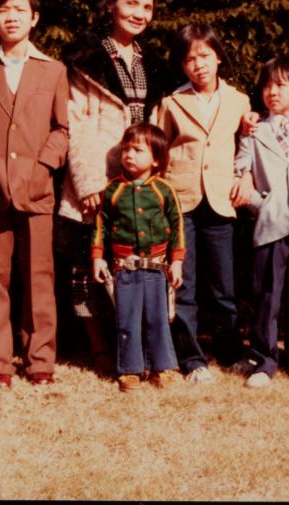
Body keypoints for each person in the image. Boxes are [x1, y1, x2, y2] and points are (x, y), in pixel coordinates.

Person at [56, 0, 175, 376]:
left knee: (135, 264)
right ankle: (99, 346)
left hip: (139, 180)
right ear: (112, 4)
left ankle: (137, 348)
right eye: (131, 3)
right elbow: (77, 123)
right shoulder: (86, 58)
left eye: (147, 6)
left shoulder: (152, 62)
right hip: (99, 176)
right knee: (86, 266)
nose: (139, 13)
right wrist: (88, 182)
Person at [0, 0, 70, 389]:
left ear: (34, 18)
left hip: (37, 188)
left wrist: (44, 166)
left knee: (39, 275)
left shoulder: (54, 70)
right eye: (4, 10)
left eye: (20, 10)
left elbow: (62, 128)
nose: (12, 17)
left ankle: (40, 359)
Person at [157, 22, 255, 383]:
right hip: (181, 202)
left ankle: (230, 350)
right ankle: (191, 358)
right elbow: (159, 151)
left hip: (221, 201)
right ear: (181, 66)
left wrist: (246, 178)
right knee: (184, 284)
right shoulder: (171, 103)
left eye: (205, 56)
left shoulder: (240, 101)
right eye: (189, 60)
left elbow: (249, 149)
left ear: (218, 57)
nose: (198, 65)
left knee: (223, 285)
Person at [233, 57, 289, 388]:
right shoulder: (254, 131)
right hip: (271, 224)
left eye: (281, 85)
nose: (272, 92)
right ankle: (264, 359)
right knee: (267, 294)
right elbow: (239, 171)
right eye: (267, 85)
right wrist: (261, 203)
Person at [91, 124, 185, 392]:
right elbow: (101, 225)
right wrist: (98, 257)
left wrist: (177, 261)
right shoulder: (112, 191)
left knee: (158, 318)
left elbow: (177, 226)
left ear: (156, 159)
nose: (129, 155)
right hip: (125, 269)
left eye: (138, 150)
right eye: (126, 149)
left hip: (157, 269)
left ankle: (162, 367)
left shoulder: (164, 191)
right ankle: (130, 369)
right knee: (128, 319)